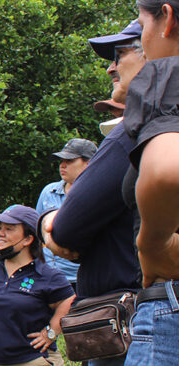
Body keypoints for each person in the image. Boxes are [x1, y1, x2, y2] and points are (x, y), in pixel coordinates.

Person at [40, 20, 145, 366]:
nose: (110, 66)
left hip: (128, 324)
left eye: (119, 54)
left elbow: (65, 228)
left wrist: (48, 223)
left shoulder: (135, 132)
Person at [117, 1, 179, 363]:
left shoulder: (168, 76)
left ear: (167, 19)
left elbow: (165, 170)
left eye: (142, 25)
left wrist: (152, 242)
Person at [0, 205, 75, 366]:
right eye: (1, 228)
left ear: (28, 239)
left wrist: (51, 332)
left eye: (9, 229)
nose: (1, 234)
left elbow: (69, 300)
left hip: (30, 359)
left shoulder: (47, 275)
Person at [35, 138, 96, 288]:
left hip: (80, 279)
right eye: (61, 160)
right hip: (47, 276)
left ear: (88, 163)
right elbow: (36, 233)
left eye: (70, 161)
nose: (62, 165)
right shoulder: (49, 192)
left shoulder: (96, 194)